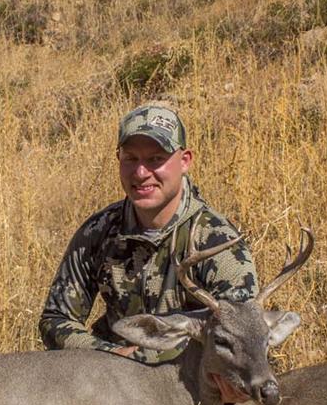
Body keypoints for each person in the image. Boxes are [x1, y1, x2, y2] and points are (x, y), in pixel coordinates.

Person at [39, 103, 258, 363]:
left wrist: (146, 360)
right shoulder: (99, 231)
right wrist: (112, 355)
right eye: (131, 158)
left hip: (188, 376)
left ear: (185, 161)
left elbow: (243, 330)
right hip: (111, 374)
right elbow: (55, 318)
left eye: (155, 159)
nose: (141, 173)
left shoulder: (216, 240)